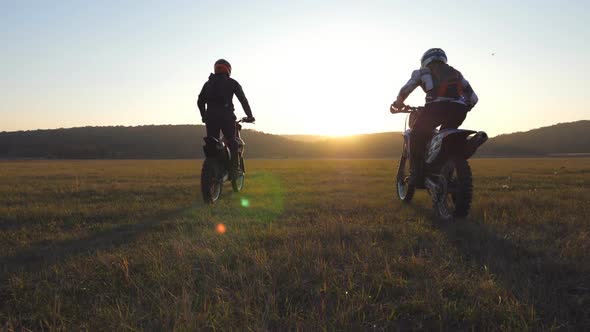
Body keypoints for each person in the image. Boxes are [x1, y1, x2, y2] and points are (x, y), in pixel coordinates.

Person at [391, 48, 478, 185]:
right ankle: (443, 172)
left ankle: (416, 175)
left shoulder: (423, 72)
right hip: (459, 110)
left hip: (435, 109)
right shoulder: (457, 74)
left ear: (425, 60)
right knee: (445, 137)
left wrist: (398, 103)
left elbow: (406, 89)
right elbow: (473, 99)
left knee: (416, 136)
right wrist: (464, 107)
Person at [197, 59, 255, 178]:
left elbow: (200, 101)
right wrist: (249, 115)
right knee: (231, 140)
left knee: (213, 142)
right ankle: (233, 170)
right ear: (228, 69)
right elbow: (243, 100)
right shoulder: (232, 82)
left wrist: (204, 115)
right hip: (226, 116)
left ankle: (214, 166)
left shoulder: (208, 84)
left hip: (210, 117)